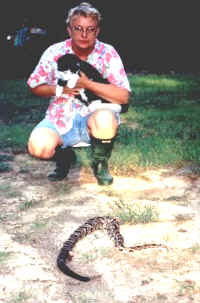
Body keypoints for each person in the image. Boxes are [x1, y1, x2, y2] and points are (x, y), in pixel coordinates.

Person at [27, 2, 131, 186]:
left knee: (105, 120)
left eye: (90, 29)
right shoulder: (54, 52)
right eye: (78, 28)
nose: (84, 35)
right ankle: (64, 157)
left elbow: (123, 97)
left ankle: (100, 163)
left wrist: (87, 84)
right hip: (60, 117)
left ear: (97, 31)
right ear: (69, 29)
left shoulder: (108, 53)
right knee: (38, 147)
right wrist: (59, 90)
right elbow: (34, 85)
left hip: (95, 114)